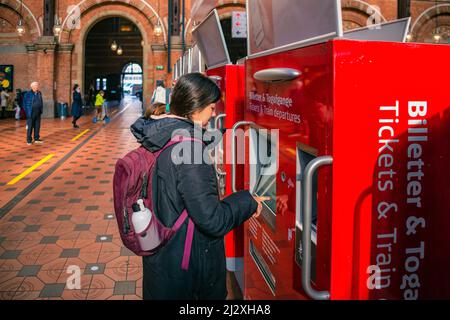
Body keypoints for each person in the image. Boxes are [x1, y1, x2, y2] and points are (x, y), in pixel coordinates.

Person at [131, 73, 269, 300]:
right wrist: (248, 201)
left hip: (164, 260)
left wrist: (232, 133)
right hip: (187, 271)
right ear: (196, 107)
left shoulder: (160, 133)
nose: (214, 114)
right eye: (212, 108)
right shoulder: (191, 152)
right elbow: (212, 220)